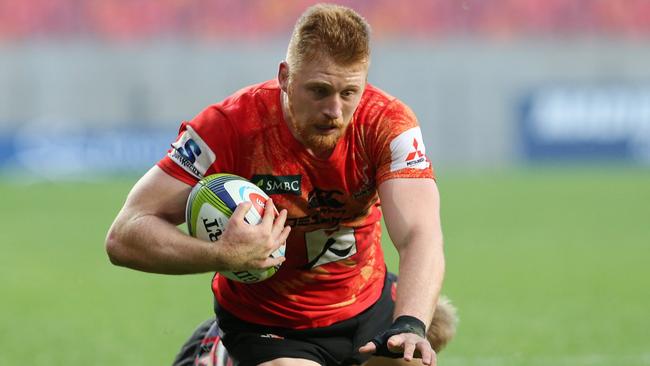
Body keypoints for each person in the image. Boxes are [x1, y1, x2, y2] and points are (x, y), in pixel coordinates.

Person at [106, 3, 455, 366]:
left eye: (349, 92)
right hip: (269, 324)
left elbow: (420, 233)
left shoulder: (387, 124)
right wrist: (221, 256)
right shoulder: (229, 128)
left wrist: (412, 323)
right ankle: (220, 352)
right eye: (319, 91)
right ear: (285, 77)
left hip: (366, 303)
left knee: (411, 357)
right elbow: (124, 234)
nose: (334, 110)